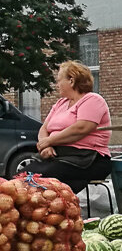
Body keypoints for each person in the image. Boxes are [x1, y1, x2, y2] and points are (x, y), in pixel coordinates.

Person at [24, 61, 113, 194]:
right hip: (58, 155)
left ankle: (59, 209)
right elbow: (44, 129)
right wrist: (46, 145)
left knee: (41, 178)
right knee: (23, 175)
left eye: (59, 80)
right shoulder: (61, 103)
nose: (57, 85)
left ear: (71, 81)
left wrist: (49, 141)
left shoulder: (93, 99)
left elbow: (81, 129)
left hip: (87, 158)